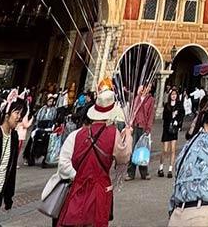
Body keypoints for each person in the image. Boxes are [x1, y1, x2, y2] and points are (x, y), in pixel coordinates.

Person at [56, 89, 132, 227]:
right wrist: (128, 135)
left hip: (78, 188)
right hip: (99, 190)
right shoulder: (113, 134)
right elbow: (124, 157)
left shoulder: (78, 134)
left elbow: (69, 162)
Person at [126, 84, 154, 181]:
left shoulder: (150, 100)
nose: (148, 89)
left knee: (142, 150)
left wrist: (148, 128)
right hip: (135, 126)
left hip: (144, 127)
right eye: (147, 87)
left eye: (150, 87)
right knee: (133, 149)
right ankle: (130, 173)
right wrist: (131, 124)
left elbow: (151, 114)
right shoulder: (137, 98)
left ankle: (144, 172)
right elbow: (133, 111)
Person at [158, 88, 184, 179]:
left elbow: (182, 115)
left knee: (173, 149)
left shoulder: (179, 105)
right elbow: (164, 117)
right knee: (165, 150)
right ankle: (161, 167)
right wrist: (171, 115)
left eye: (175, 94)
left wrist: (178, 122)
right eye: (172, 94)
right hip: (166, 129)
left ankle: (170, 169)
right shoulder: (166, 105)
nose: (173, 96)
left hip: (174, 129)